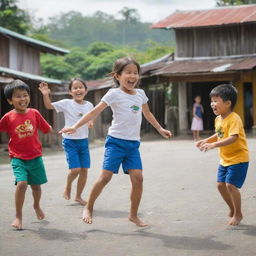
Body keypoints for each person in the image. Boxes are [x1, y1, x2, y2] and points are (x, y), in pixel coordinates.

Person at [60, 57, 172, 227]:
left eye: (135, 73)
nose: (132, 76)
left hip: (133, 144)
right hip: (116, 142)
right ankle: (88, 207)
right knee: (105, 177)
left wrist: (160, 129)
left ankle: (133, 215)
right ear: (117, 75)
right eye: (128, 72)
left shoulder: (140, 94)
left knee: (138, 178)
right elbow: (93, 113)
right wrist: (75, 126)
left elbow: (148, 114)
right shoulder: (113, 94)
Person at [0, 80, 52, 229]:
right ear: (10, 100)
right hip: (17, 157)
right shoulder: (8, 117)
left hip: (35, 157)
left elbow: (47, 128)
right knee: (22, 183)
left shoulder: (34, 113)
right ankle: (18, 216)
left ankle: (36, 205)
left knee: (36, 187)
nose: (23, 99)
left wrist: (61, 130)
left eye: (25, 95)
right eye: (18, 96)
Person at [196, 84, 249, 226]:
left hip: (238, 158)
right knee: (220, 185)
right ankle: (232, 208)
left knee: (231, 185)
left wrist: (213, 145)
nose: (212, 104)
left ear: (227, 103)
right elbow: (219, 134)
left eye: (215, 100)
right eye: (211, 101)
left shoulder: (234, 118)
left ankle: (238, 214)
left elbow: (233, 137)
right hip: (225, 159)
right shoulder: (218, 119)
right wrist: (206, 140)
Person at [38, 78, 93, 206]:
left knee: (84, 170)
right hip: (70, 142)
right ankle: (68, 186)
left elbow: (91, 117)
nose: (78, 90)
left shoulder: (89, 105)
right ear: (70, 92)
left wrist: (91, 122)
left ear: (86, 90)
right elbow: (49, 106)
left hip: (84, 141)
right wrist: (46, 95)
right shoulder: (66, 103)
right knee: (75, 170)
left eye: (81, 87)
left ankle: (78, 196)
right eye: (75, 88)